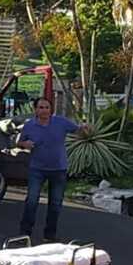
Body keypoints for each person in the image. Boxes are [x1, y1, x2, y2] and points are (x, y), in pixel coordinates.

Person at [16, 98, 89, 241]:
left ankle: (49, 235)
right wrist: (25, 144)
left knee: (55, 204)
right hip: (37, 169)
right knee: (32, 201)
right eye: (41, 107)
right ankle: (25, 233)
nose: (45, 110)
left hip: (58, 169)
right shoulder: (29, 126)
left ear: (51, 109)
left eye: (47, 107)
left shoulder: (61, 122)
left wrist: (85, 128)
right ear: (35, 110)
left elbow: (78, 131)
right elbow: (18, 143)